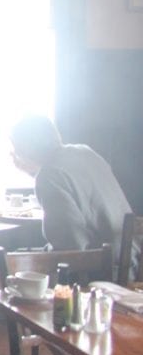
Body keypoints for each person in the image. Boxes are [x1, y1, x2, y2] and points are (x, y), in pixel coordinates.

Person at [10, 114, 132, 267]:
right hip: (131, 261)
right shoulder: (84, 152)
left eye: (16, 146)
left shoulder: (49, 176)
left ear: (25, 147)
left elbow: (69, 247)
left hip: (103, 271)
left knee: (4, 268)